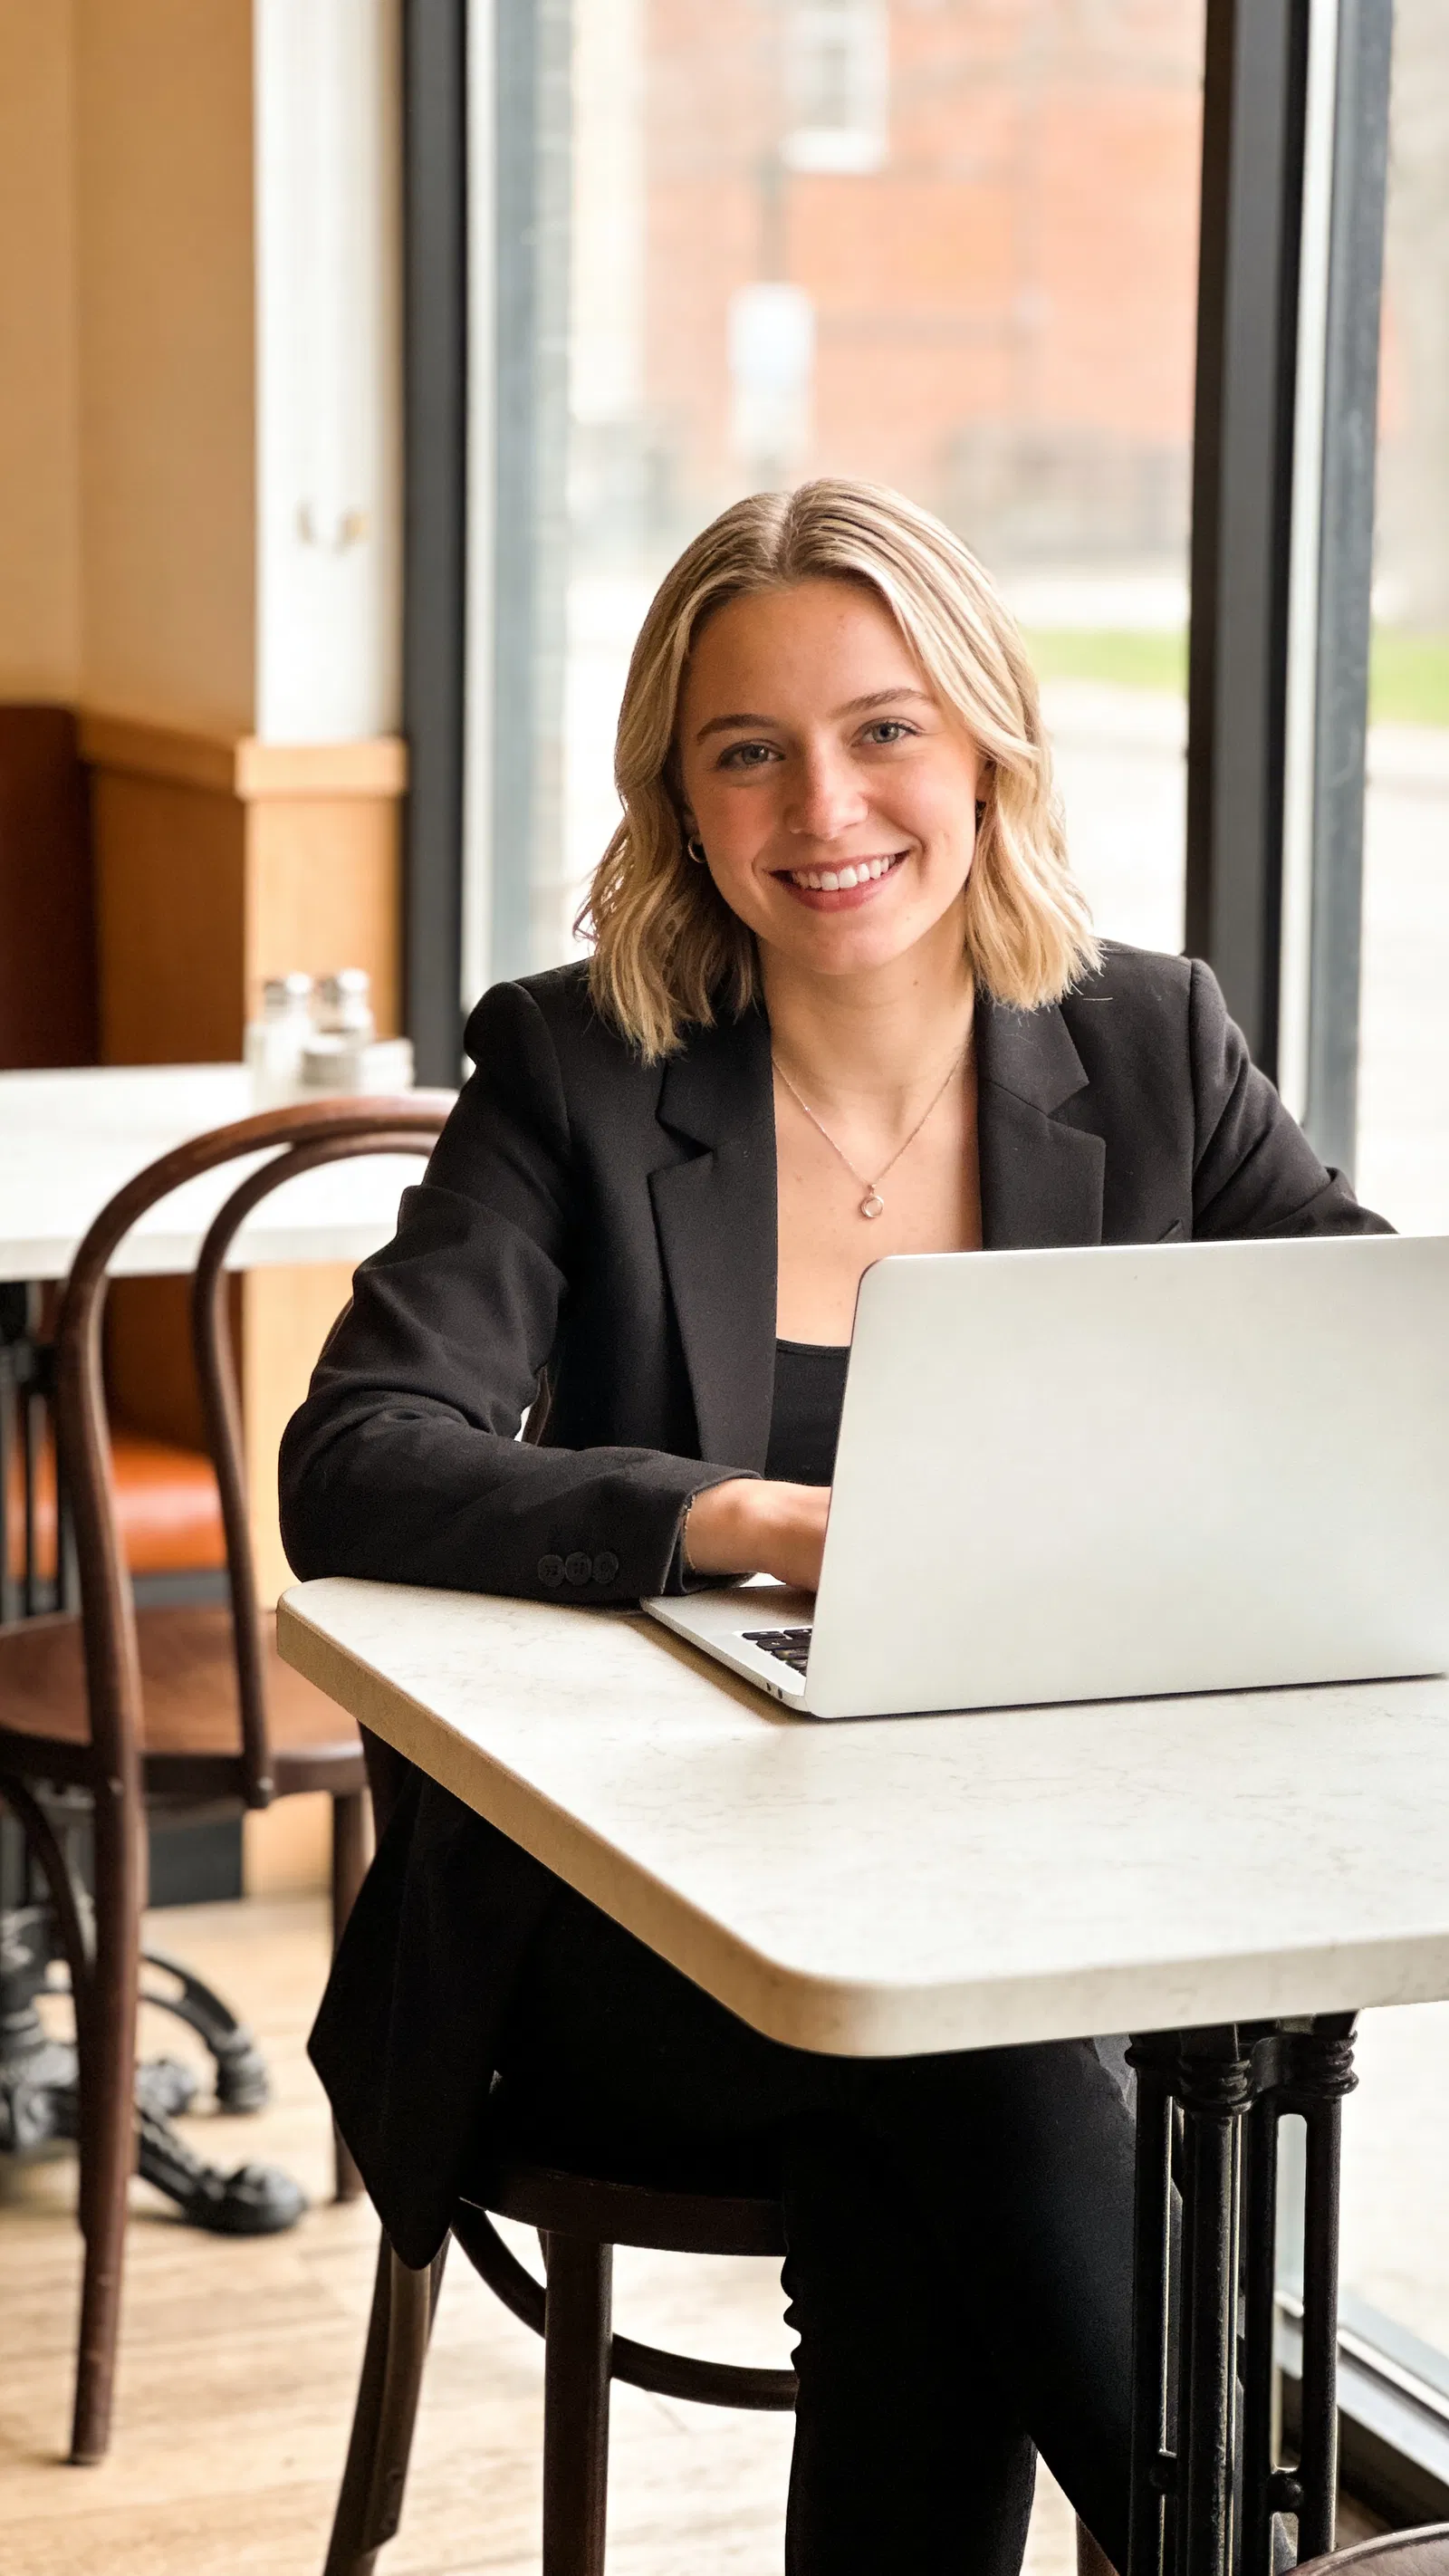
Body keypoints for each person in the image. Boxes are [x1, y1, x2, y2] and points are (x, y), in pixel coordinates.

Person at [282, 479, 1388, 2575]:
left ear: (984, 743)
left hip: (1060, 1914)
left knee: (944, 2143)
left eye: (884, 727)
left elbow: (1367, 1383)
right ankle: (1241, 2556)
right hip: (628, 1939)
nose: (825, 802)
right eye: (745, 748)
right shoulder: (576, 1065)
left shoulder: (1152, 1047)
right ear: (678, 802)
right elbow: (359, 1453)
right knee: (963, 2059)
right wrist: (750, 1524)